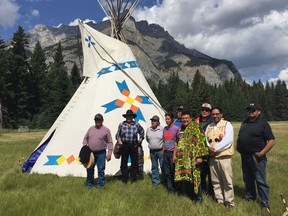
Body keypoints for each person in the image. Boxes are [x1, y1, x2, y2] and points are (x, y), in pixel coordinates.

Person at [237, 103, 276, 209]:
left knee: (260, 179)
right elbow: (240, 136)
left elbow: (272, 140)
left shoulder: (263, 124)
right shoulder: (244, 122)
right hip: (245, 156)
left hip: (257, 156)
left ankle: (264, 201)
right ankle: (250, 197)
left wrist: (262, 152)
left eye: (253, 110)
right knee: (247, 178)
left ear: (259, 111)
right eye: (249, 110)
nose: (251, 112)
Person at [174, 111, 209, 202]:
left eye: (186, 118)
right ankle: (191, 196)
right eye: (183, 118)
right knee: (187, 178)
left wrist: (200, 157)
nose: (184, 120)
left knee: (196, 177)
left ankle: (198, 198)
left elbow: (201, 141)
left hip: (194, 158)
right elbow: (177, 142)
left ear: (190, 119)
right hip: (184, 160)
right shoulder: (181, 128)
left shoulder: (196, 127)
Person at [205, 107, 235, 208]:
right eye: (213, 114)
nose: (215, 116)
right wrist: (209, 149)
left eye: (217, 114)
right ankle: (220, 199)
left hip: (224, 156)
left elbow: (228, 140)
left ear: (221, 114)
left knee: (227, 180)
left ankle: (229, 202)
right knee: (215, 180)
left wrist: (215, 149)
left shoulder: (227, 124)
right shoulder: (209, 126)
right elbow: (206, 139)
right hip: (212, 158)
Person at [83, 113, 113, 189]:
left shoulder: (106, 130)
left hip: (101, 153)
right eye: (96, 120)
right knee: (89, 169)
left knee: (101, 169)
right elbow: (85, 138)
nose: (97, 121)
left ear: (102, 120)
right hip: (90, 153)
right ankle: (89, 184)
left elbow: (110, 142)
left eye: (99, 120)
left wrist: (109, 153)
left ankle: (100, 184)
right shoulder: (90, 129)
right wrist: (85, 147)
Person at [116, 109, 144, 184]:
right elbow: (117, 134)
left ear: (132, 117)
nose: (129, 117)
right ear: (126, 117)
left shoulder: (136, 124)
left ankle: (133, 178)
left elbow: (142, 132)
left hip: (133, 145)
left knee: (134, 163)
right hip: (124, 145)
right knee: (123, 163)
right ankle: (124, 178)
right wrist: (119, 140)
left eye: (130, 116)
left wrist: (140, 140)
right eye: (128, 116)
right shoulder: (121, 124)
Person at [194, 103, 214, 196]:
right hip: (199, 151)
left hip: (210, 150)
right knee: (201, 173)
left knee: (211, 173)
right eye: (203, 110)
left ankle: (211, 192)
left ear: (210, 112)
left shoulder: (213, 121)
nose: (204, 112)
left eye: (206, 110)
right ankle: (201, 190)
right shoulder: (196, 121)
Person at [146, 115, 164, 185]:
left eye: (154, 121)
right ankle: (156, 181)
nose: (152, 122)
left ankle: (164, 180)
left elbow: (164, 139)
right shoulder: (148, 129)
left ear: (158, 122)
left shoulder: (162, 129)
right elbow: (147, 139)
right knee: (154, 166)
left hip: (160, 150)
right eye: (152, 121)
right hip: (152, 151)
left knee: (163, 166)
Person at [163, 112, 179, 191]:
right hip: (166, 152)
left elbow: (177, 141)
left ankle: (175, 186)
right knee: (167, 171)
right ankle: (170, 188)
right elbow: (164, 140)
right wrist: (163, 151)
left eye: (168, 119)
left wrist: (175, 154)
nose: (167, 120)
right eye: (166, 119)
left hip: (172, 152)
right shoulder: (165, 129)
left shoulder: (176, 129)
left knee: (173, 170)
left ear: (172, 119)